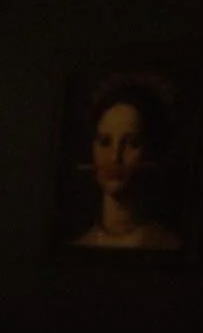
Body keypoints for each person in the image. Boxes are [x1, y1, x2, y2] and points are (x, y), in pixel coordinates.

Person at [73, 78, 182, 250]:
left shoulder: (167, 246)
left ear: (152, 150)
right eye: (104, 142)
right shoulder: (81, 246)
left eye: (132, 143)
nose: (115, 158)